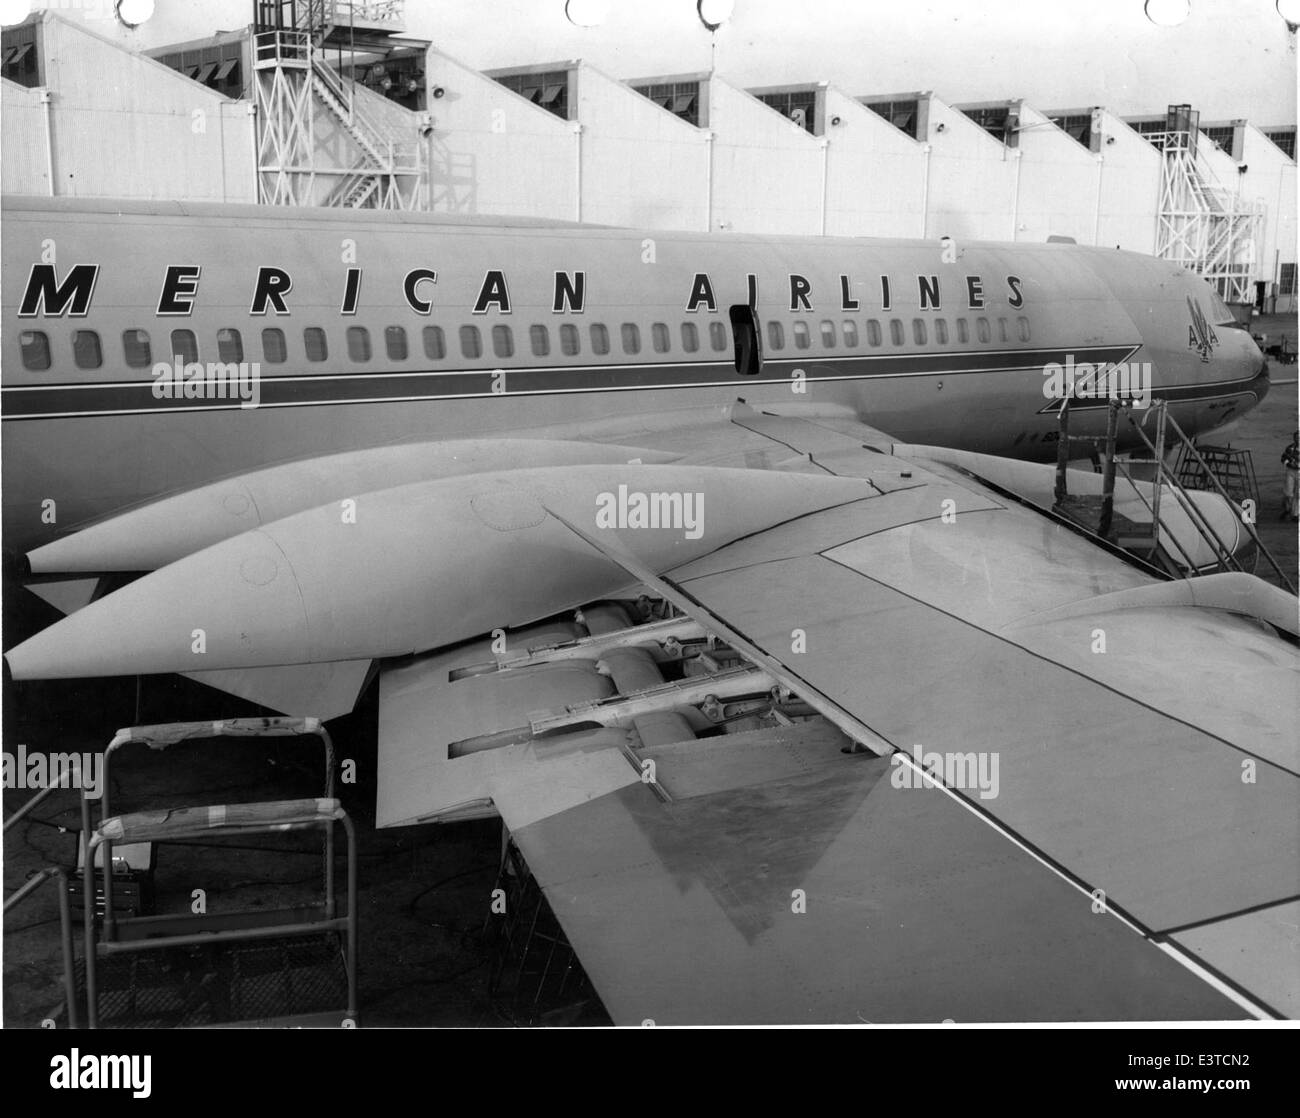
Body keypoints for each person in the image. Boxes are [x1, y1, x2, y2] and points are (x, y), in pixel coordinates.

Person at [1283, 431, 1300, 522]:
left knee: (1298, 494)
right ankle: (1287, 509)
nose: (1298, 439)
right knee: (1288, 493)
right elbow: (1283, 458)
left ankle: (1295, 514)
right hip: (1291, 472)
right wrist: (1289, 464)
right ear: (1294, 438)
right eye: (1297, 437)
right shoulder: (1290, 448)